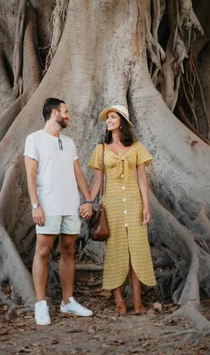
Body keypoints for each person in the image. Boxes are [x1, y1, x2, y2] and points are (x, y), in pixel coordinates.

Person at [24, 98, 94, 326]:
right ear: (55, 113)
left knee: (68, 250)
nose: (68, 116)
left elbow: (77, 173)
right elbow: (30, 176)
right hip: (48, 205)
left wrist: (88, 200)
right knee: (43, 251)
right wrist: (36, 205)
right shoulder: (34, 139)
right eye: (66, 111)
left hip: (70, 205)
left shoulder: (69, 142)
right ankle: (41, 304)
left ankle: (67, 301)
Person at [88, 104, 156, 315]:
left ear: (122, 122)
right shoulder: (100, 149)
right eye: (107, 118)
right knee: (115, 251)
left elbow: (142, 180)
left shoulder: (136, 147)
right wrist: (88, 202)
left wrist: (146, 206)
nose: (109, 120)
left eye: (113, 117)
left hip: (134, 203)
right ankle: (119, 300)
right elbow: (97, 181)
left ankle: (137, 301)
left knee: (136, 250)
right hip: (113, 205)